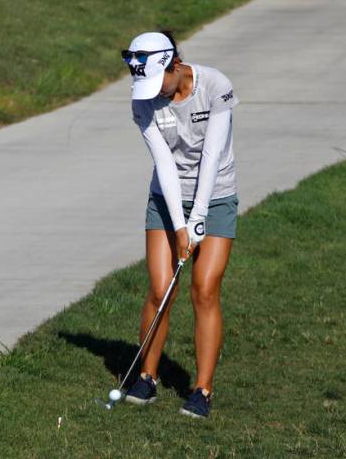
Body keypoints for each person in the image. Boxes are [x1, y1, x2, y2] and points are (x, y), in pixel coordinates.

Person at [121, 31, 239, 420]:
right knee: (160, 289)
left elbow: (212, 154)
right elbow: (165, 164)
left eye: (160, 82)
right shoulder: (144, 102)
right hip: (166, 199)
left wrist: (199, 218)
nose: (155, 92)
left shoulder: (215, 86)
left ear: (174, 65)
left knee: (204, 290)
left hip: (216, 195)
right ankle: (147, 376)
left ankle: (202, 390)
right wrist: (179, 227)